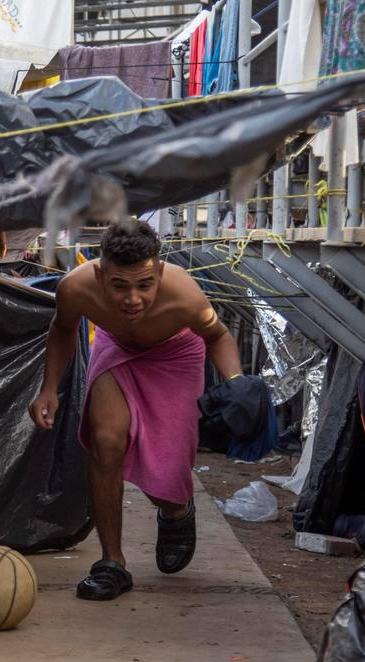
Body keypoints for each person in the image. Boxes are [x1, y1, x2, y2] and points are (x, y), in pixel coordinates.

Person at [28, 219, 244, 600]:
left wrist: (238, 384)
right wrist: (49, 389)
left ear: (159, 271)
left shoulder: (185, 295)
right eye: (120, 286)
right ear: (100, 273)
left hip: (176, 355)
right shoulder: (77, 288)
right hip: (117, 349)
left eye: (145, 285)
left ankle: (176, 511)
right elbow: (62, 329)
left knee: (168, 473)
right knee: (106, 442)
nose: (133, 299)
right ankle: (112, 562)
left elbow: (218, 335)